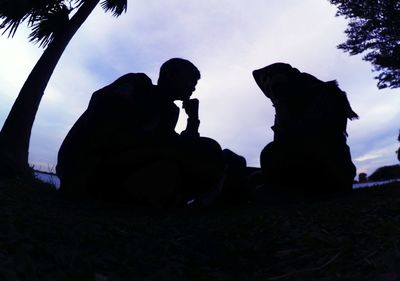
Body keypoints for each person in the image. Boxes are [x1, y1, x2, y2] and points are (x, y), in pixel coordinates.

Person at [57, 58, 230, 207]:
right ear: (170, 76)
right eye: (190, 80)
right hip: (92, 163)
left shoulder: (170, 112)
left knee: (185, 161)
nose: (193, 87)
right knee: (201, 150)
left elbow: (179, 145)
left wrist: (192, 119)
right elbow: (100, 123)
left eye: (195, 83)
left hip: (128, 166)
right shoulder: (138, 84)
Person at [252, 62, 358, 198]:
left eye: (270, 78)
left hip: (331, 172)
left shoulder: (321, 93)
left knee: (270, 153)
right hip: (304, 169)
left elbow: (313, 141)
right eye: (264, 81)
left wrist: (282, 107)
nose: (268, 84)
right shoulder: (284, 103)